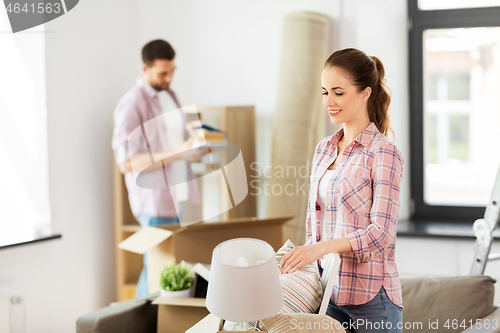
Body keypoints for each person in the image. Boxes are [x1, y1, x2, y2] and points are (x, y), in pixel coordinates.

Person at [280, 48, 404, 333]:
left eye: (338, 92)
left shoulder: (383, 153)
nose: (329, 101)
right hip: (328, 293)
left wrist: (319, 249)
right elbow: (316, 224)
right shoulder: (324, 149)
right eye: (325, 92)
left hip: (372, 299)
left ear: (365, 93)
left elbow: (381, 233)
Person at [112, 39, 206, 298]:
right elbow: (126, 163)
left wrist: (198, 147)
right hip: (155, 202)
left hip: (179, 195)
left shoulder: (170, 96)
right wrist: (179, 152)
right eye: (163, 73)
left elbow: (179, 144)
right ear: (145, 69)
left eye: (172, 71)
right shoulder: (132, 104)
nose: (169, 78)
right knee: (157, 270)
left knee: (173, 269)